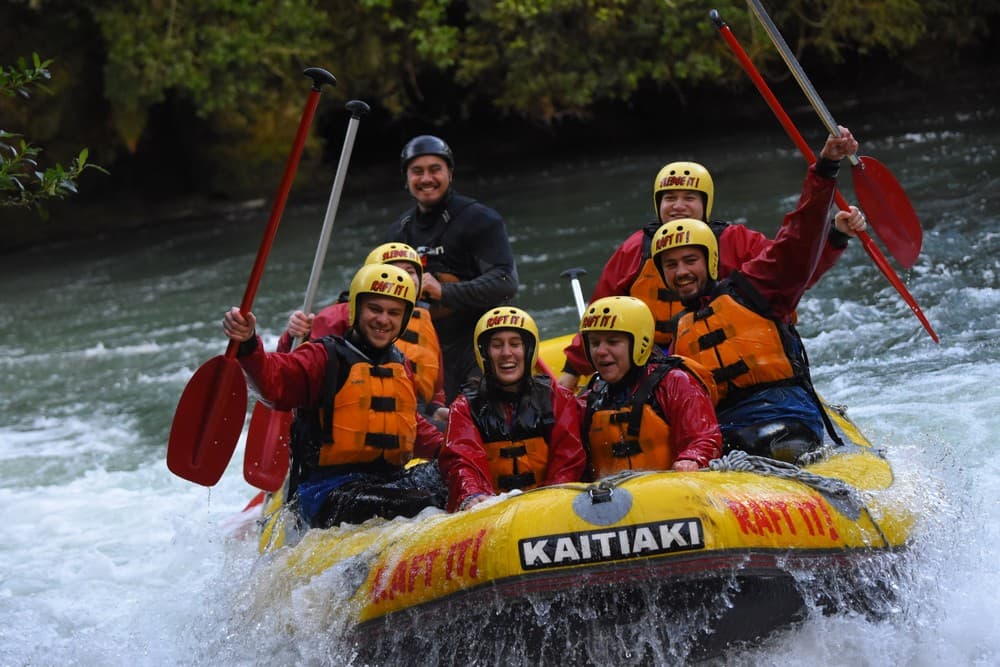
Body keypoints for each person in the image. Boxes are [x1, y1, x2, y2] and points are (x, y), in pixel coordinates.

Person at [649, 128, 865, 462]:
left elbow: (798, 241)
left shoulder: (754, 289)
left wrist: (825, 168)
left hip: (785, 415)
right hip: (728, 430)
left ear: (711, 260)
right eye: (671, 265)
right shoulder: (680, 333)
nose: (682, 272)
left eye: (691, 261)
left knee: (765, 443)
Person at [557, 157, 867, 390]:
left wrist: (834, 236)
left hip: (732, 351)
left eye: (689, 198)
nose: (678, 206)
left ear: (705, 204)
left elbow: (794, 270)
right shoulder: (634, 249)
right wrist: (571, 374)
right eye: (669, 198)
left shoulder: (737, 241)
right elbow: (602, 314)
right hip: (654, 358)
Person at [222, 263, 446, 529]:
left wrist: (450, 450)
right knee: (419, 502)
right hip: (329, 491)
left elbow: (410, 425)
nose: (383, 320)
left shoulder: (400, 364)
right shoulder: (324, 357)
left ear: (404, 318)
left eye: (393, 312)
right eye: (375, 309)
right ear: (356, 309)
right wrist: (248, 343)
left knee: (447, 478)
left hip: (388, 480)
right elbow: (274, 381)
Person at [385, 135, 519, 403]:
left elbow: (506, 282)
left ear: (450, 173)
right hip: (426, 348)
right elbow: (373, 291)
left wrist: (443, 292)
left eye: (435, 169)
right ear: (406, 178)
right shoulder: (399, 232)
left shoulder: (479, 219)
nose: (426, 179)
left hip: (478, 342)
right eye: (417, 171)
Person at [279, 242, 449, 426]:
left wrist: (436, 408)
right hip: (352, 413)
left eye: (410, 271)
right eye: (391, 271)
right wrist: (295, 335)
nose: (403, 277)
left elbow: (435, 385)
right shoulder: (339, 316)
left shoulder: (423, 320)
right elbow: (299, 368)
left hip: (411, 414)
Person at [439, 306, 586, 511]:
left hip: (549, 505)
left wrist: (553, 500)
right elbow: (462, 461)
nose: (506, 353)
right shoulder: (465, 408)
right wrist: (472, 494)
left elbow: (569, 459)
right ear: (484, 353)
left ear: (529, 350)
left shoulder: (558, 399)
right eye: (497, 345)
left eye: (515, 344)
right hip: (493, 510)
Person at [578, 295, 722, 479]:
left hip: (671, 489)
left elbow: (704, 438)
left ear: (639, 343)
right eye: (594, 343)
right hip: (613, 494)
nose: (600, 351)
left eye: (613, 342)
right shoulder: (590, 398)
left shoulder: (675, 383)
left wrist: (692, 459)